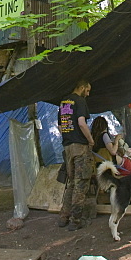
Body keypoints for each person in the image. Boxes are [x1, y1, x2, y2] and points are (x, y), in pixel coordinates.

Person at [58, 79, 95, 231]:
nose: (87, 94)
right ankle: (75, 220)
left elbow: (60, 126)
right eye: (87, 90)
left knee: (71, 183)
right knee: (81, 183)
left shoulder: (63, 103)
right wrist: (90, 140)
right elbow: (81, 123)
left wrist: (69, 137)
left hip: (67, 148)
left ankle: (63, 217)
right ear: (81, 87)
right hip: (80, 147)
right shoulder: (80, 101)